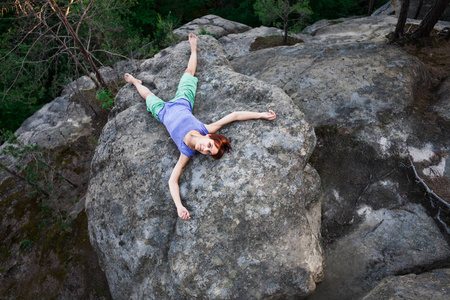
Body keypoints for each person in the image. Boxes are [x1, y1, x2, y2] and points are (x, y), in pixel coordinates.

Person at [125, 33, 276, 220]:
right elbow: (234, 116)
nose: (204, 149)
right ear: (209, 138)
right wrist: (261, 114)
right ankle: (193, 47)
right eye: (209, 146)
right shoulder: (206, 129)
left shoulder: (185, 152)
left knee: (147, 96)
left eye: (207, 153)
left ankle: (134, 82)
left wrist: (179, 206)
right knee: (189, 72)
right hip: (182, 103)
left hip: (163, 113)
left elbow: (172, 180)